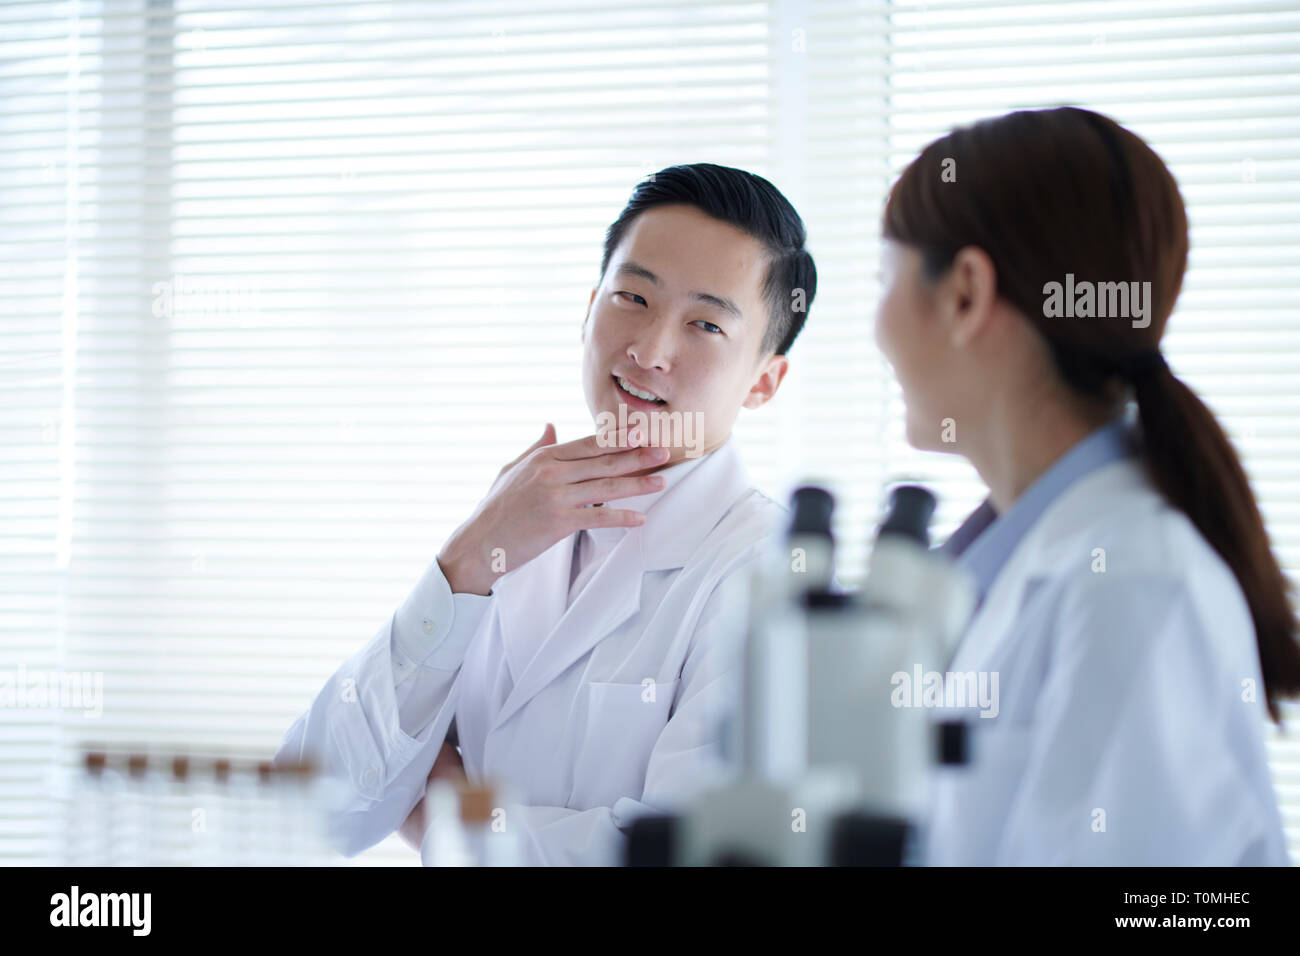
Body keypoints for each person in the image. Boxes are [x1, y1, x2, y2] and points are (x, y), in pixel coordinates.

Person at [274, 163, 817, 864]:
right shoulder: (512, 519)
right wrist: (465, 563)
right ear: (588, 306)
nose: (650, 351)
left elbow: (695, 853)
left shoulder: (771, 571)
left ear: (764, 381)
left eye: (706, 325)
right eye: (632, 297)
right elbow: (310, 808)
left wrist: (450, 824)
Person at [874, 107, 1300, 865]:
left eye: (887, 278)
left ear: (965, 293)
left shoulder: (1133, 581)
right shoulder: (1033, 563)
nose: (876, 326)